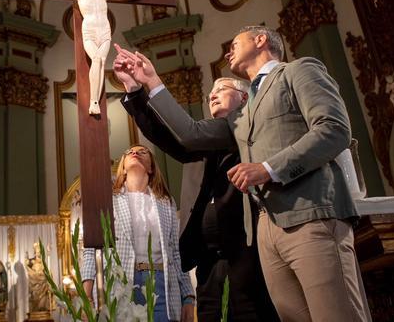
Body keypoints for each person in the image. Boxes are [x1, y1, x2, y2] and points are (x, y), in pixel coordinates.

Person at [114, 25, 371, 321]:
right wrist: (145, 84)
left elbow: (334, 129)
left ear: (260, 39)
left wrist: (269, 168)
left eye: (235, 42)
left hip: (306, 215)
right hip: (264, 231)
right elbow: (187, 135)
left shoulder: (298, 71)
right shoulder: (241, 119)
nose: (227, 51)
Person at [116, 70, 278, 321]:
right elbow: (161, 133)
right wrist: (134, 92)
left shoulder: (250, 130)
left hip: (248, 256)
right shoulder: (200, 145)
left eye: (221, 89)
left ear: (244, 98)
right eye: (210, 93)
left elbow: (191, 133)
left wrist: (150, 83)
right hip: (207, 261)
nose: (212, 95)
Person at [80, 145, 194, 322]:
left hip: (162, 285)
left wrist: (188, 297)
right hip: (121, 286)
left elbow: (177, 252)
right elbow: (91, 250)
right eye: (130, 152)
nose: (135, 153)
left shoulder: (166, 202)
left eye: (143, 152)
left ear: (151, 167)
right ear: (123, 167)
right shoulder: (108, 199)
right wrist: (85, 297)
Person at [16, 0, 151, 115]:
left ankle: (96, 102)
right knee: (96, 59)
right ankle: (93, 101)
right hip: (90, 31)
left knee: (102, 62)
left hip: (104, 31)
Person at [25, 242, 52, 313]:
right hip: (35, 286)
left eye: (39, 252)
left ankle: (43, 312)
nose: (38, 253)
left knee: (42, 304)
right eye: (37, 252)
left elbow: (47, 273)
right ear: (35, 252)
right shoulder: (32, 262)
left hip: (42, 286)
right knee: (35, 304)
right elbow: (28, 268)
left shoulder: (43, 263)